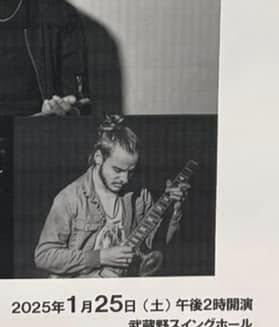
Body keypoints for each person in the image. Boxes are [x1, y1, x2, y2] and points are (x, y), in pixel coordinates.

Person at [33, 118, 183, 277]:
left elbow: (153, 244)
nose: (125, 179)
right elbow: (44, 257)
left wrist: (173, 211)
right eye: (117, 170)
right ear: (99, 158)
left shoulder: (139, 194)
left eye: (130, 172)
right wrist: (100, 257)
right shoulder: (69, 198)